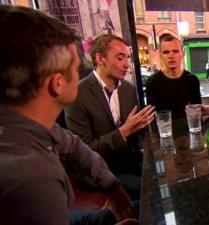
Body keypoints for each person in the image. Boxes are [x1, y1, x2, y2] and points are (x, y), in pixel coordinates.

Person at [0, 5, 137, 225]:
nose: (80, 75)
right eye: (75, 68)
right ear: (57, 83)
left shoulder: (31, 123)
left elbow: (74, 146)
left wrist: (112, 186)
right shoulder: (31, 179)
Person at [65, 34, 155, 202]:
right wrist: (123, 131)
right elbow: (84, 152)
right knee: (147, 189)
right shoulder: (77, 94)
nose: (126, 64)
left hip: (132, 162)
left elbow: (139, 134)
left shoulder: (129, 90)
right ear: (100, 59)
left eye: (127, 58)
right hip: (99, 171)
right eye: (120, 58)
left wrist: (144, 148)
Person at [146, 35, 202, 119]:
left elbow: (198, 113)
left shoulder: (192, 80)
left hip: (188, 129)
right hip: (164, 130)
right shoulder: (153, 82)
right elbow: (152, 118)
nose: (171, 56)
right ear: (161, 55)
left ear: (182, 54)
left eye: (175, 51)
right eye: (166, 52)